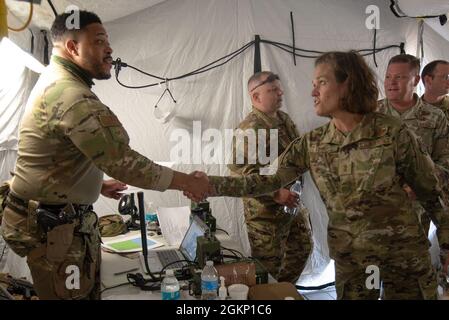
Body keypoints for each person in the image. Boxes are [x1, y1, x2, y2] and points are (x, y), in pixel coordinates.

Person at [196, 51, 446, 299]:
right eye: (313, 84)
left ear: (348, 84)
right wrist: (208, 184)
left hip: (402, 259)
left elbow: (433, 193)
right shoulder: (313, 143)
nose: (313, 92)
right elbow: (267, 181)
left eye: (322, 83)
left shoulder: (393, 133)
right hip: (353, 263)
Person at [0, 11, 209, 300]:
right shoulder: (69, 94)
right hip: (53, 227)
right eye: (99, 41)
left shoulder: (55, 82)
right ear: (73, 48)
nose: (109, 49)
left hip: (52, 219)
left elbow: (56, 157)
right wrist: (188, 182)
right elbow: (125, 163)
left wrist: (97, 185)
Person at [227, 71, 313, 283]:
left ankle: (282, 291)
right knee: (267, 268)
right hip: (265, 213)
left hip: (291, 203)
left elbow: (297, 153)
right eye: (273, 90)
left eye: (279, 88)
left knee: (302, 249)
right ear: (256, 97)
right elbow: (240, 174)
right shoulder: (250, 129)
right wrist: (275, 193)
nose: (280, 92)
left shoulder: (284, 119)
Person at [378, 54, 449, 292]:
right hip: (374, 213)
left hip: (415, 215)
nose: (391, 82)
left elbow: (445, 162)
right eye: (388, 76)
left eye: (399, 77)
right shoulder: (369, 115)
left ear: (416, 79)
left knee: (408, 280)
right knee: (372, 275)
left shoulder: (434, 117)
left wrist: (418, 184)